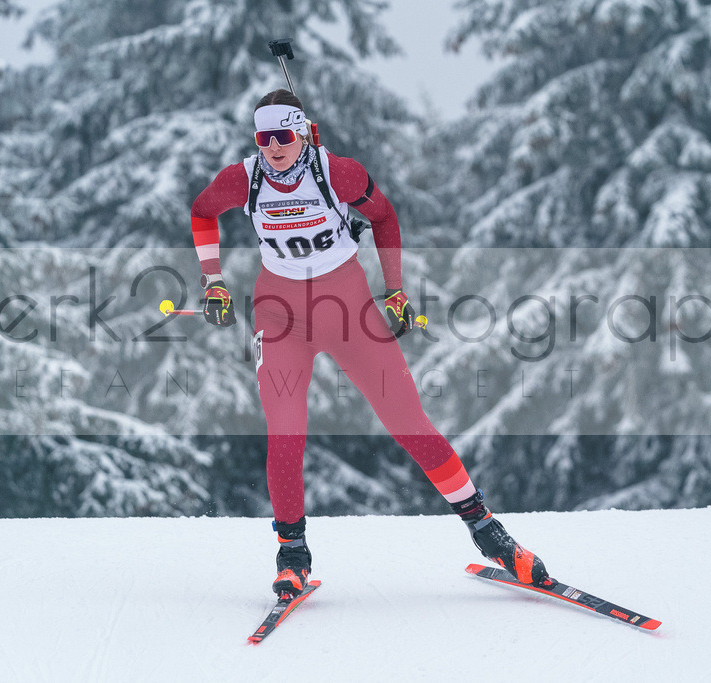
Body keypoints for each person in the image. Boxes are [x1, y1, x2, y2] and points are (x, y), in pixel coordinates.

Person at [190, 89, 553, 598]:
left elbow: (383, 217)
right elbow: (201, 212)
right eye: (263, 137)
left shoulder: (337, 173)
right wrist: (213, 280)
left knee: (409, 422)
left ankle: (490, 534)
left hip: (347, 307)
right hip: (280, 315)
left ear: (301, 131)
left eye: (283, 136)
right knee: (286, 432)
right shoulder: (243, 178)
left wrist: (395, 289)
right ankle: (292, 554)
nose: (273, 147)